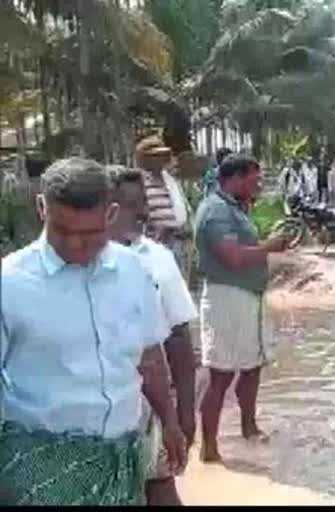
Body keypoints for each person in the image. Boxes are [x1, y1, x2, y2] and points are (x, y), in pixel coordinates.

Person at [0, 158, 187, 505]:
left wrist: (169, 423)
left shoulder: (133, 271)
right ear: (42, 208)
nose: (75, 245)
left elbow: (150, 358)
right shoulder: (9, 283)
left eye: (90, 234)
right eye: (62, 231)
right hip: (39, 468)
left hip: (123, 459)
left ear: (111, 215)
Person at [106, 165, 198, 505]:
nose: (143, 211)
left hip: (150, 408)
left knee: (162, 492)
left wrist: (184, 412)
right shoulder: (70, 265)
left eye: (143, 200)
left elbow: (178, 339)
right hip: (91, 420)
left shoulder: (157, 259)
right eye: (132, 203)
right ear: (107, 206)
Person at [194, 154, 290, 463]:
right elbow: (232, 258)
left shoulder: (234, 208)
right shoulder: (216, 211)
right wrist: (270, 247)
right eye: (253, 180)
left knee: (252, 365)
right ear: (234, 178)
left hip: (248, 297)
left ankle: (249, 428)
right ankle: (209, 447)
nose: (258, 186)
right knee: (221, 374)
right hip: (227, 299)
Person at [135, 135, 193, 273]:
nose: (159, 160)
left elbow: (184, 210)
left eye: (162, 155)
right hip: (153, 245)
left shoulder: (171, 182)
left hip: (177, 244)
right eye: (155, 156)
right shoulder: (140, 183)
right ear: (145, 159)